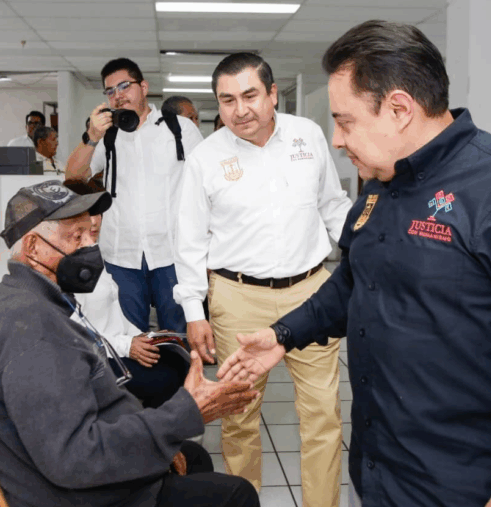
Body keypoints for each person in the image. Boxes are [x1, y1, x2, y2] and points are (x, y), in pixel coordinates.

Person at [217, 20, 491, 507]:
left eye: (346, 121)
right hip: (381, 469)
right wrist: (282, 335)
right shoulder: (383, 186)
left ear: (399, 108)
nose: (337, 139)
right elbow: (354, 284)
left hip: (474, 488)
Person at [0, 179, 260, 507]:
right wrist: (184, 413)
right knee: (237, 495)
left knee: (192, 457)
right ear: (34, 247)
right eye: (76, 237)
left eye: (91, 234)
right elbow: (75, 460)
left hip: (83, 479)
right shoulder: (33, 331)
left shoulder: (29, 301)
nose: (89, 248)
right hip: (81, 497)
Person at [174, 52, 352, 506]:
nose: (240, 109)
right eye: (227, 99)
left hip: (312, 293)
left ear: (273, 94)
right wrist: (194, 312)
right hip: (238, 298)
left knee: (322, 416)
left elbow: (333, 206)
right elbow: (189, 241)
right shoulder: (205, 158)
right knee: (239, 416)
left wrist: (373, 251)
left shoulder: (308, 137)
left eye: (250, 95)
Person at [65, 58, 204, 334]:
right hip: (121, 256)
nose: (117, 95)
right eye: (110, 91)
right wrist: (92, 136)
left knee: (178, 335)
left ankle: (185, 378)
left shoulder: (180, 129)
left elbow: (206, 186)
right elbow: (73, 178)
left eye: (124, 86)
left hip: (172, 255)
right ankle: (137, 379)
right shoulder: (107, 136)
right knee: (128, 338)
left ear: (143, 87)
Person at [62, 178, 188, 409]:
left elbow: (115, 314)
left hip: (116, 348)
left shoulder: (93, 256)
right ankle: (152, 435)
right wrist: (127, 345)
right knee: (166, 378)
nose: (95, 222)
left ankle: (157, 435)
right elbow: (72, 335)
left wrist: (140, 336)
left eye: (98, 213)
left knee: (178, 360)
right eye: (86, 214)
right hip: (97, 359)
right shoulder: (66, 268)